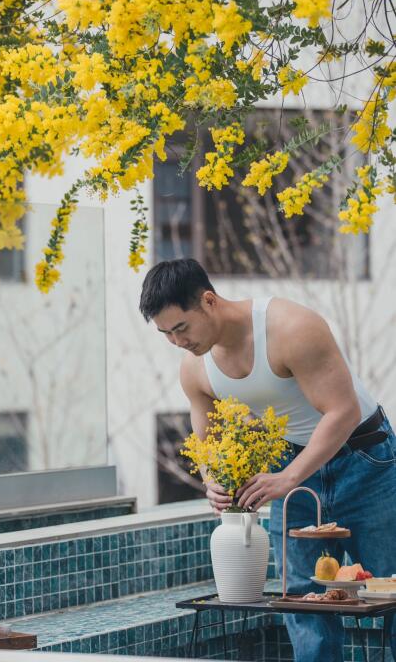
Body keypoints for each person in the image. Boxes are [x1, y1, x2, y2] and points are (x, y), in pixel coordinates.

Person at [139, 258, 396, 662]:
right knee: (303, 602)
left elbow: (343, 411)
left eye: (181, 328)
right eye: (166, 333)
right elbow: (208, 444)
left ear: (208, 301)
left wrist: (288, 478)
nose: (177, 341)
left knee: (390, 589)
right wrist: (212, 480)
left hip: (365, 459)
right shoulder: (196, 370)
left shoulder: (290, 327)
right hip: (294, 468)